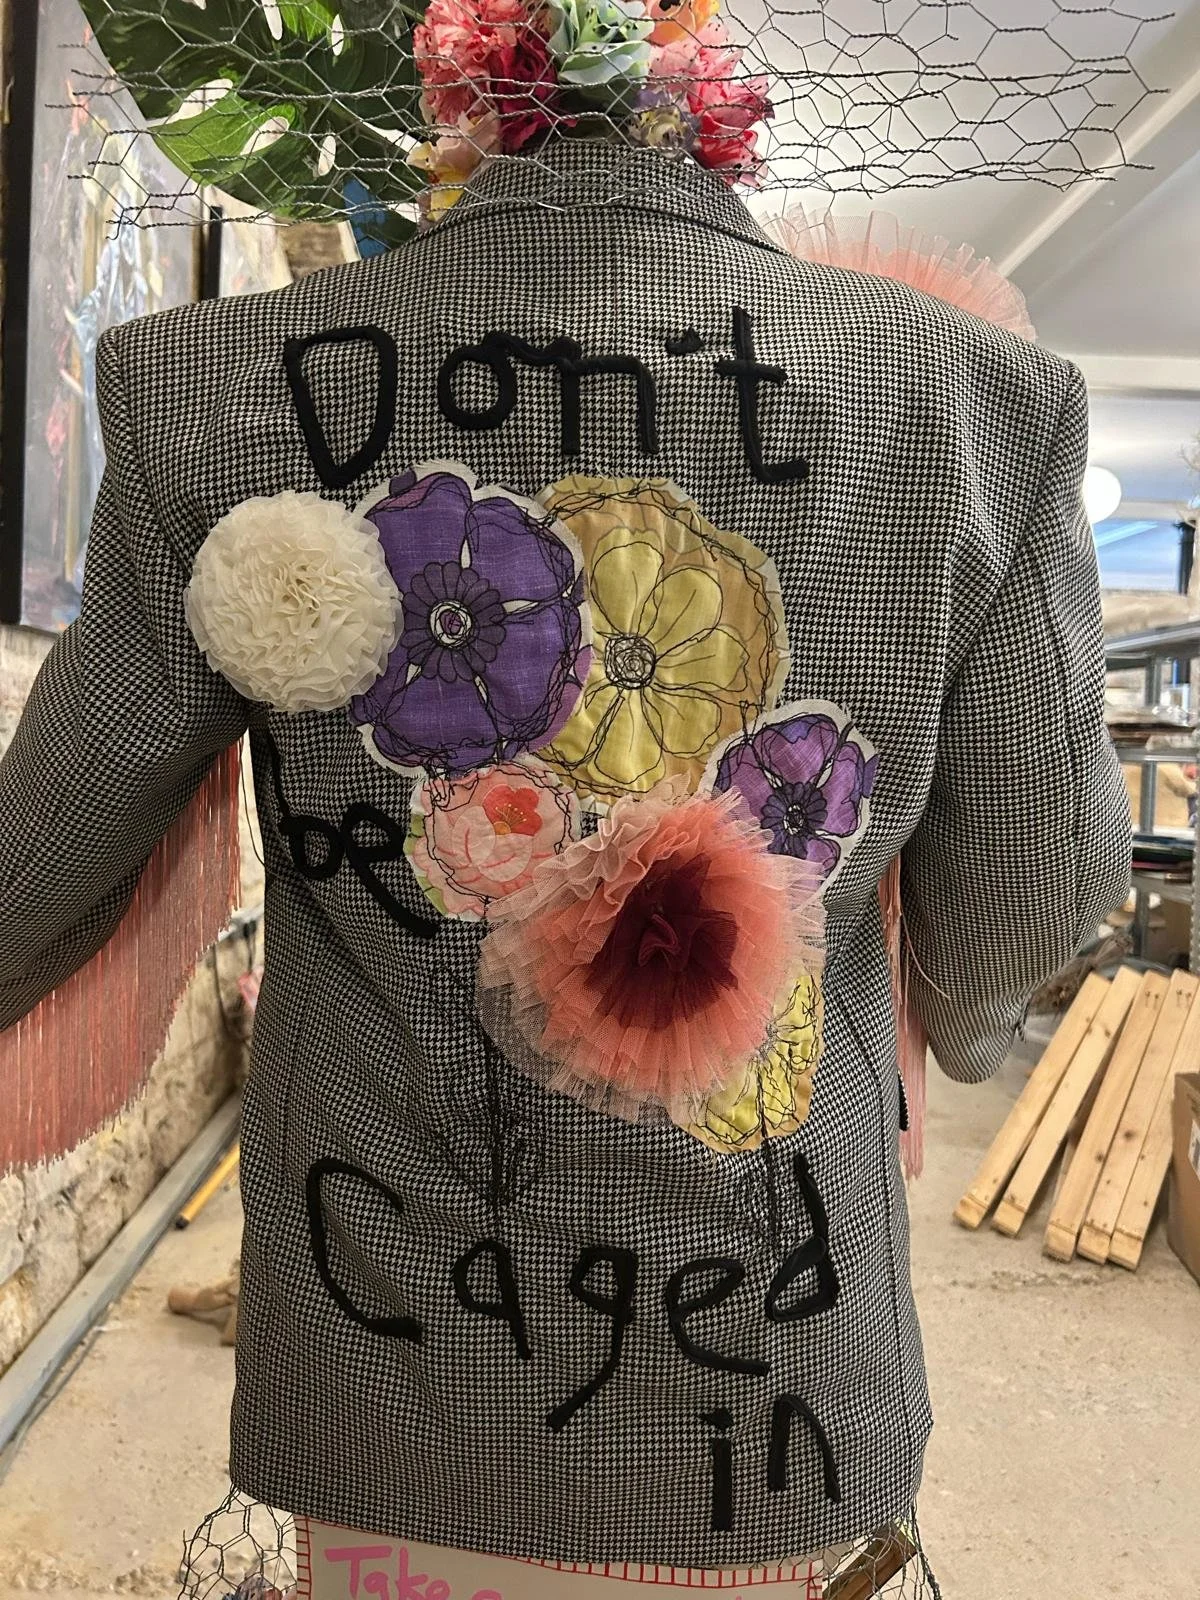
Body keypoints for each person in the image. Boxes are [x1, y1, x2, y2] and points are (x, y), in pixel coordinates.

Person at [0, 112, 1130, 1600]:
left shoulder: (208, 382)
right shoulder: (976, 399)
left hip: (385, 1340)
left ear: (447, 103)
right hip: (771, 1357)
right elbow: (1037, 886)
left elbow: (49, 853)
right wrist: (958, 1017)